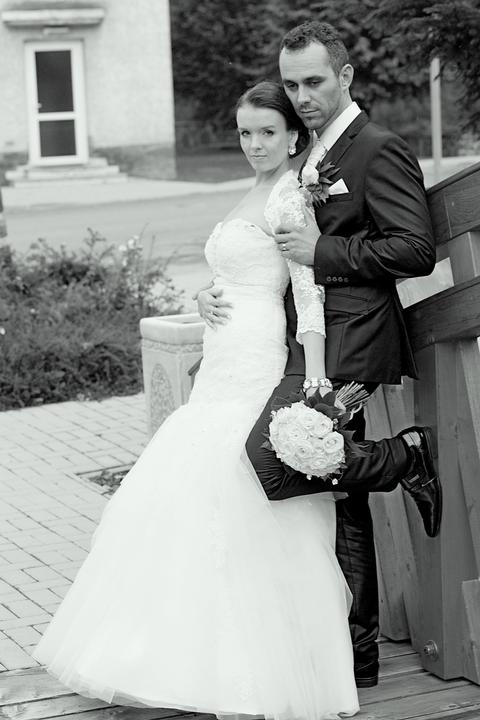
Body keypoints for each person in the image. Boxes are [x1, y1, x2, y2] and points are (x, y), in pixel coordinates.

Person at [32, 81, 360, 720]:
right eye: (245, 132)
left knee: (240, 483)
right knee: (193, 485)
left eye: (267, 132)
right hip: (220, 356)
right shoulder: (251, 191)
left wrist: (315, 384)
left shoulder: (291, 196)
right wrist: (205, 295)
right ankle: (182, 651)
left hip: (256, 356)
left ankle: (260, 667)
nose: (254, 143)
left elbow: (308, 294)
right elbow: (236, 269)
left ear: (293, 136)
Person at [198, 22, 441, 690]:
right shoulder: (311, 156)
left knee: (271, 461)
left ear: (345, 77)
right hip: (304, 343)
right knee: (339, 494)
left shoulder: (377, 148)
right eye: (293, 84)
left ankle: (406, 456)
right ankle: (356, 652)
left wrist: (323, 251)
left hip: (354, 343)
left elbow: (414, 248)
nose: (302, 96)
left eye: (314, 81)